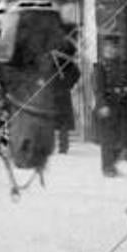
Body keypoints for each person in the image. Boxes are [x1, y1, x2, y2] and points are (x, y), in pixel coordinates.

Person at [92, 31, 127, 177]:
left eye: (114, 47)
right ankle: (107, 168)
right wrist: (102, 105)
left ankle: (111, 163)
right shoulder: (100, 66)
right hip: (107, 106)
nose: (111, 50)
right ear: (104, 48)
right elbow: (98, 89)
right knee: (108, 139)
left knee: (123, 139)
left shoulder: (122, 64)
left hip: (121, 106)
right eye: (108, 47)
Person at [53, 23, 80, 154]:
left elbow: (76, 72)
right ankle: (63, 147)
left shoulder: (57, 51)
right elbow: (77, 73)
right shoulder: (66, 52)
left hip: (55, 91)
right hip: (61, 90)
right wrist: (69, 84)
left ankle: (57, 147)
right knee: (62, 120)